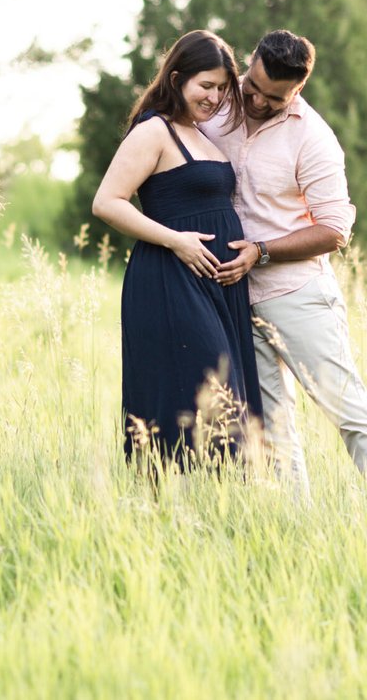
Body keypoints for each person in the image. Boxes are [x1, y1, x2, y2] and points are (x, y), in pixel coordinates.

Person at [203, 29, 367, 507]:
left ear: (297, 90)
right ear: (250, 63)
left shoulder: (313, 138)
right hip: (235, 297)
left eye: (274, 97)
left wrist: (261, 251)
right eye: (253, 86)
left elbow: (335, 230)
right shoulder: (220, 107)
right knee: (271, 427)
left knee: (349, 413)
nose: (257, 101)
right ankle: (294, 528)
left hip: (298, 296)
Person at [91, 30, 264, 467]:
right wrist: (177, 241)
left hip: (218, 287)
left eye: (222, 88)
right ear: (176, 78)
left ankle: (216, 499)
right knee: (202, 393)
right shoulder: (154, 131)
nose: (215, 97)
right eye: (206, 85)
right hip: (170, 278)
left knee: (227, 397)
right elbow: (107, 202)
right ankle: (168, 492)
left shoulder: (201, 134)